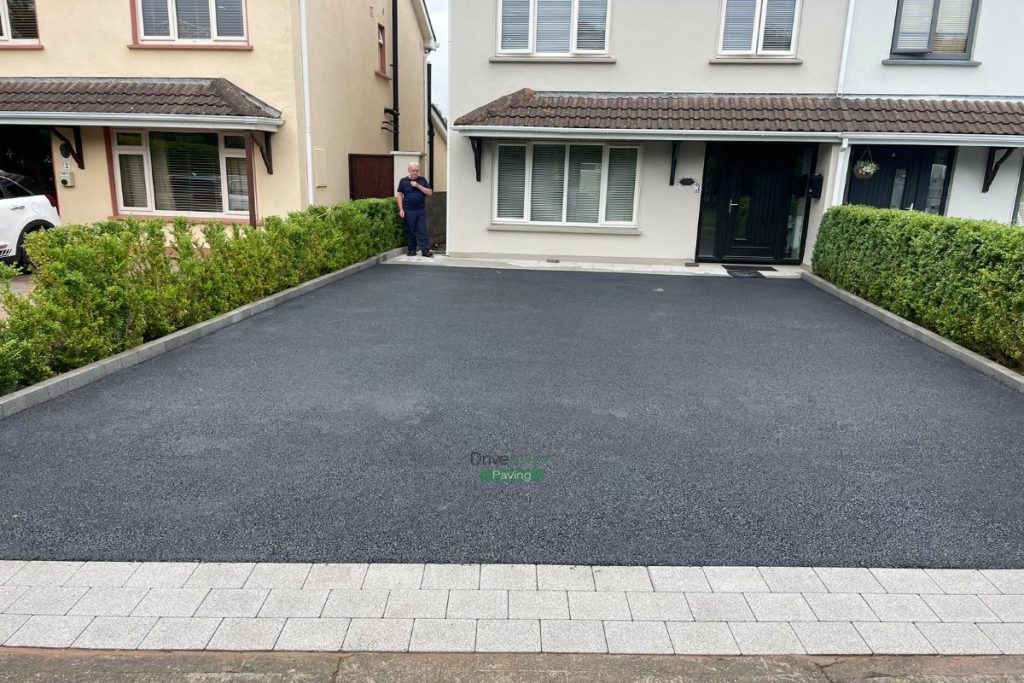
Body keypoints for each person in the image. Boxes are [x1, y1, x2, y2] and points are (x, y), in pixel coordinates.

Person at [396, 162, 434, 257]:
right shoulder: (403, 181)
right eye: (413, 170)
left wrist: (418, 185)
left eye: (417, 170)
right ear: (409, 171)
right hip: (408, 210)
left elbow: (430, 192)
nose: (415, 172)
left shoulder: (422, 180)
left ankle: (425, 251)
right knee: (410, 231)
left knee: (422, 230)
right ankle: (412, 250)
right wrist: (401, 209)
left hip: (420, 210)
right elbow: (399, 194)